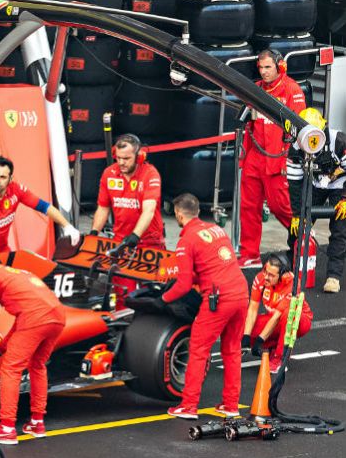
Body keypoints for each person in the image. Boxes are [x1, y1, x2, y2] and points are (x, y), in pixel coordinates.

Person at [160, 194, 248, 420]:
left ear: (179, 214)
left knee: (198, 349)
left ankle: (188, 406)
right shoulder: (217, 230)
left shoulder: (186, 240)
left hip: (218, 299)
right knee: (232, 350)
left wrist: (162, 300)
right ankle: (230, 405)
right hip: (241, 293)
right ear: (198, 211)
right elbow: (214, 265)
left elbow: (183, 285)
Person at [0, 256, 66, 444]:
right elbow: (21, 322)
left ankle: (7, 428)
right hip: (58, 315)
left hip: (35, 318)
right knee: (38, 365)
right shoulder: (19, 274)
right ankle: (37, 422)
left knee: (10, 369)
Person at [238, 49, 307, 267]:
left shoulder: (292, 90)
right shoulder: (255, 90)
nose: (264, 72)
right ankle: (249, 255)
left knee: (282, 209)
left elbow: (300, 129)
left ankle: (305, 245)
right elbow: (247, 126)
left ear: (280, 66)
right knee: (248, 208)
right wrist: (243, 158)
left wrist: (292, 160)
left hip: (279, 160)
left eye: (268, 67)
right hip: (254, 158)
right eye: (261, 68)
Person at [0, 156, 79, 261]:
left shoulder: (16, 190)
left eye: (2, 177)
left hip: (2, 251)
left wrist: (67, 226)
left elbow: (44, 207)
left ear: (10, 178)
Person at [286, 108, 346, 293]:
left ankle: (333, 276)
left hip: (340, 184)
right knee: (297, 227)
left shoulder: (339, 141)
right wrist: (297, 214)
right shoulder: (296, 148)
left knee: (340, 229)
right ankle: (291, 268)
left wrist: (345, 198)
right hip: (315, 183)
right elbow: (295, 183)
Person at [90, 133, 164, 250]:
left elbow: (149, 210)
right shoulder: (109, 173)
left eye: (126, 158)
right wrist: (94, 233)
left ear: (139, 157)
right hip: (120, 240)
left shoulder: (150, 174)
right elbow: (103, 208)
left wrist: (135, 236)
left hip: (149, 242)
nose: (121, 163)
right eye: (118, 158)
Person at [244, 253, 313, 373]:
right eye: (265, 271)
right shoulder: (261, 278)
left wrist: (259, 341)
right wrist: (245, 337)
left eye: (271, 275)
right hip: (274, 319)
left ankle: (280, 359)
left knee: (287, 314)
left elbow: (277, 317)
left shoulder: (292, 285)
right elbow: (252, 309)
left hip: (299, 321)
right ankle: (271, 347)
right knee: (240, 325)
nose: (266, 277)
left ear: (283, 276)